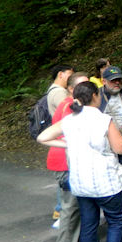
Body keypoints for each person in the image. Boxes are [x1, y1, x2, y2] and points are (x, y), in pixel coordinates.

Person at [37, 81, 122, 242]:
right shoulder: (103, 119)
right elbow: (120, 147)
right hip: (105, 182)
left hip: (80, 183)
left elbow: (43, 137)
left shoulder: (69, 120)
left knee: (89, 224)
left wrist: (67, 144)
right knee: (116, 222)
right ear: (94, 96)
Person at [47, 71, 88, 242]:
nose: (87, 89)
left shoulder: (73, 104)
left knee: (74, 206)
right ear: (71, 89)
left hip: (66, 161)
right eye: (81, 85)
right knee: (71, 208)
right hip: (65, 163)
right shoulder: (70, 106)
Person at [46, 64, 74, 222]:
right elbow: (68, 113)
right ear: (60, 74)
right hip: (63, 140)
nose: (71, 77)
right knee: (66, 181)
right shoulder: (59, 93)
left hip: (61, 138)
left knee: (64, 181)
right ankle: (61, 211)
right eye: (69, 74)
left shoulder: (53, 90)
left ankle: (61, 210)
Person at [98, 65, 122, 167]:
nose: (117, 83)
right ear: (104, 81)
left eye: (119, 80)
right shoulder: (96, 97)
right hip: (102, 145)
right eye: (113, 80)